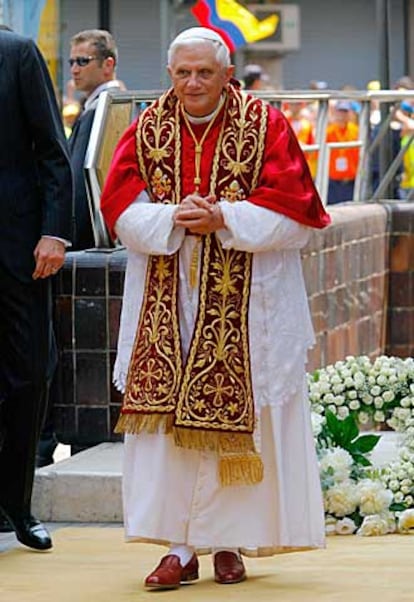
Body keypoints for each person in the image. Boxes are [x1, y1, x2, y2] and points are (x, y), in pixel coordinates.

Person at [101, 26, 330, 590]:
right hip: (170, 294)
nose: (193, 83)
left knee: (243, 423)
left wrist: (226, 218)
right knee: (169, 427)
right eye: (183, 73)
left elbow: (299, 214)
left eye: (205, 72)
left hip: (248, 303)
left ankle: (229, 543)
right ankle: (179, 548)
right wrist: (172, 219)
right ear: (171, 75)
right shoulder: (148, 127)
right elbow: (119, 205)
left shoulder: (266, 125)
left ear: (228, 74)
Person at [0, 26, 72, 549]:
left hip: (20, 246)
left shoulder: (16, 53)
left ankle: (18, 507)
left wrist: (54, 232)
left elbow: (53, 151)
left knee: (28, 373)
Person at [68, 29, 122, 250]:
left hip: (90, 236)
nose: (74, 69)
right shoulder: (108, 105)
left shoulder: (100, 110)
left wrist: (69, 237)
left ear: (108, 65)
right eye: (72, 62)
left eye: (83, 61)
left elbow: (81, 183)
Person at [326, 100, 359, 204]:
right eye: (340, 111)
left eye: (345, 112)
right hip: (333, 181)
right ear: (335, 112)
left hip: (351, 181)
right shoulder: (328, 132)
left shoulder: (356, 130)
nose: (342, 115)